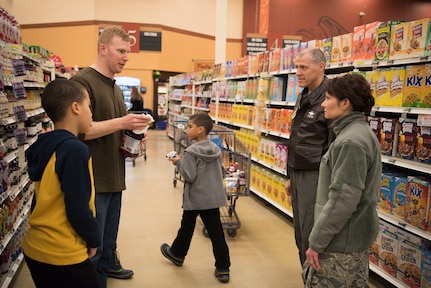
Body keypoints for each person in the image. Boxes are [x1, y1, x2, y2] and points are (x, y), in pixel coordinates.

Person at [71, 26, 153, 287]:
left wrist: (134, 134)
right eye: (121, 51)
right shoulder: (82, 82)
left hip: (115, 176)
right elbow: (80, 131)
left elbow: (114, 127)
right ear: (102, 49)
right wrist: (121, 123)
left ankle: (105, 276)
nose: (126, 57)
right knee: (92, 247)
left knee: (108, 242)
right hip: (94, 179)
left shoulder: (116, 87)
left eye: (127, 52)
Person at [303, 73, 382, 287]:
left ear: (345, 103)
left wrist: (316, 242)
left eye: (328, 98)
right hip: (352, 238)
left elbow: (342, 200)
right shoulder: (359, 132)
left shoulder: (350, 142)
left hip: (339, 243)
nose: (323, 103)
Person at [22, 79, 102, 288]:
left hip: (36, 246)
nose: (91, 113)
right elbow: (77, 208)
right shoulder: (75, 150)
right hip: (62, 252)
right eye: (89, 106)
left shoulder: (46, 144)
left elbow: (40, 198)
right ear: (76, 108)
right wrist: (94, 239)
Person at [161, 113, 231, 283]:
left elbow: (189, 175)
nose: (187, 129)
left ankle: (177, 254)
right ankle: (223, 268)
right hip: (212, 198)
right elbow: (221, 172)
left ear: (200, 130)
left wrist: (178, 162)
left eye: (190, 126)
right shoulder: (215, 150)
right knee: (216, 233)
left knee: (186, 227)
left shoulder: (191, 151)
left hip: (196, 198)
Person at [285, 48, 331, 267]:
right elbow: (297, 137)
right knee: (300, 232)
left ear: (320, 67)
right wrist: (290, 174)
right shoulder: (304, 94)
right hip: (298, 173)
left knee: (311, 231)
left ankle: (315, 278)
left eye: (303, 67)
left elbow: (333, 145)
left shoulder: (331, 97)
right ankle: (308, 276)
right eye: (296, 67)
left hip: (315, 176)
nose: (298, 72)